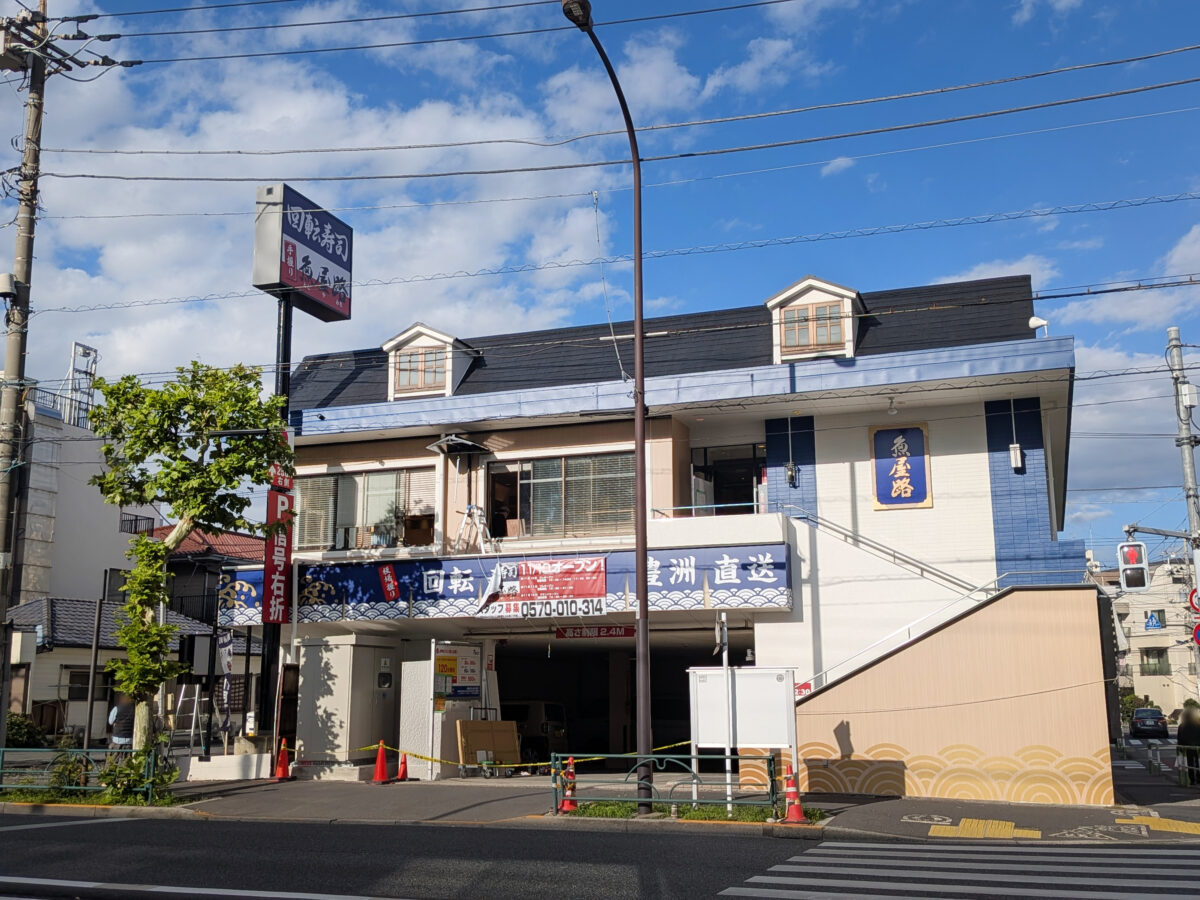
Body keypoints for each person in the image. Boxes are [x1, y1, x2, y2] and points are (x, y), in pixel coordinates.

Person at [1177, 705, 1200, 786]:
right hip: (1197, 747)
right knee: (1198, 762)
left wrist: (1180, 748)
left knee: (1189, 763)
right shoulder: (1197, 725)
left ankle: (1192, 780)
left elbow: (1180, 738)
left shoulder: (1181, 726)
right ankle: (1198, 778)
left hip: (1187, 747)